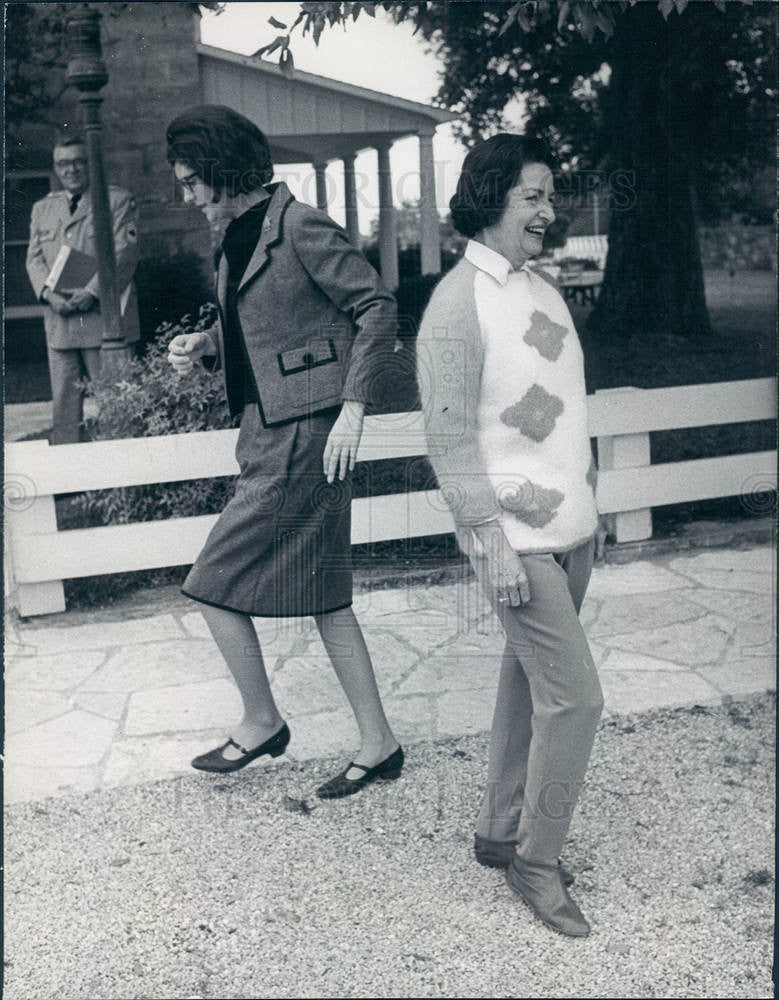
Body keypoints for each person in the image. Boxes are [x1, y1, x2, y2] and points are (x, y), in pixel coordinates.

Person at [165, 105, 402, 798]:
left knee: (211, 582)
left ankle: (262, 720)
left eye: (190, 182)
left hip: (307, 435)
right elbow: (256, 324)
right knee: (326, 598)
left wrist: (355, 406)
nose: (187, 197)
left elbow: (375, 307)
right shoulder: (238, 233)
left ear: (219, 170)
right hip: (270, 432)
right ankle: (378, 743)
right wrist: (204, 346)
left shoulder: (298, 224)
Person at [418, 134, 603, 937]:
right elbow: (449, 440)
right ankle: (535, 862)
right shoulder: (456, 303)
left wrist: (589, 511)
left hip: (572, 531)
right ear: (491, 195)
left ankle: (498, 833)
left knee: (529, 685)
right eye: (531, 195)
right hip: (516, 542)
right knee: (578, 702)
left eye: (549, 194)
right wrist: (488, 543)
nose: (546, 210)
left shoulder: (540, 287)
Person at [25, 133, 140, 445]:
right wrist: (48, 295)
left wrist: (91, 292)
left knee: (114, 402)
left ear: (90, 164)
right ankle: (71, 479)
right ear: (55, 168)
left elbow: (125, 254)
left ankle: (122, 478)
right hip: (61, 320)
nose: (71, 170)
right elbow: (34, 260)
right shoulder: (43, 209)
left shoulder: (115, 201)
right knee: (64, 407)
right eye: (63, 164)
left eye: (78, 162)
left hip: (103, 321)